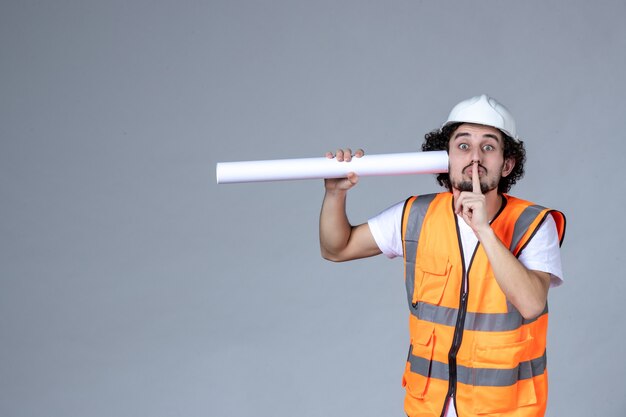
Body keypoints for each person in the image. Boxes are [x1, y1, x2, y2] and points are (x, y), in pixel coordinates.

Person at [319, 94, 566, 417]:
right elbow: (336, 249)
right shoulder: (415, 215)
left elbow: (532, 303)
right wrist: (334, 194)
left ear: (507, 164)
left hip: (504, 410)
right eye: (463, 146)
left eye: (488, 147)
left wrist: (484, 231)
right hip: (428, 407)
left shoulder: (533, 223)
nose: (475, 157)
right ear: (445, 157)